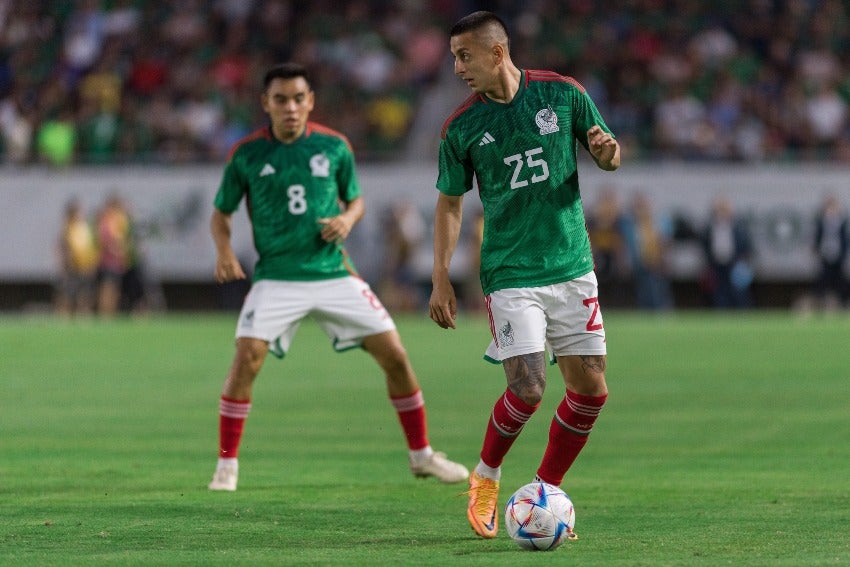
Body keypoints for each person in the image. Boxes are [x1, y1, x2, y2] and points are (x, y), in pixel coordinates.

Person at [207, 63, 468, 491]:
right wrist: (222, 250)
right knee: (246, 359)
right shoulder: (247, 154)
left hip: (332, 272)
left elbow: (356, 199)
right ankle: (226, 465)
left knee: (395, 355)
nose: (290, 108)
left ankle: (422, 456)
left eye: (298, 98)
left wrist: (348, 218)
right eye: (280, 100)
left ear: (310, 101)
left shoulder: (334, 147)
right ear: (265, 104)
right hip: (276, 277)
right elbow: (222, 212)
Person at [429, 12, 620, 540]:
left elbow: (609, 151)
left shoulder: (562, 95)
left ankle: (543, 491)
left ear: (497, 52)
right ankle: (486, 478)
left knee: (591, 392)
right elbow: (449, 204)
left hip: (572, 266)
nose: (457, 68)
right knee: (531, 387)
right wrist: (441, 276)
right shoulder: (462, 127)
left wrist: (607, 154)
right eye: (453, 58)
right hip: (511, 272)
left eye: (464, 56)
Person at [701, 196, 753, 309]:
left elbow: (746, 245)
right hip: (717, 265)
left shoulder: (739, 226)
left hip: (734, 264)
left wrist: (744, 261)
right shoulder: (710, 228)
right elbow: (705, 245)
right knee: (720, 293)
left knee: (738, 292)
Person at [55, 198, 99, 316]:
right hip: (71, 265)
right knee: (68, 292)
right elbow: (62, 246)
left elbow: (92, 245)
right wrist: (63, 263)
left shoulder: (85, 227)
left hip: (85, 265)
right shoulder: (67, 227)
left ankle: (83, 313)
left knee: (85, 291)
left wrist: (92, 261)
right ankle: (64, 314)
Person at [812, 195, 848, 309]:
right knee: (823, 281)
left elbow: (844, 240)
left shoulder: (842, 222)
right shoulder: (821, 222)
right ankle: (820, 303)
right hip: (825, 256)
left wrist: (843, 254)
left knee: (840, 281)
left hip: (838, 257)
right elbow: (818, 238)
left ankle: (842, 303)